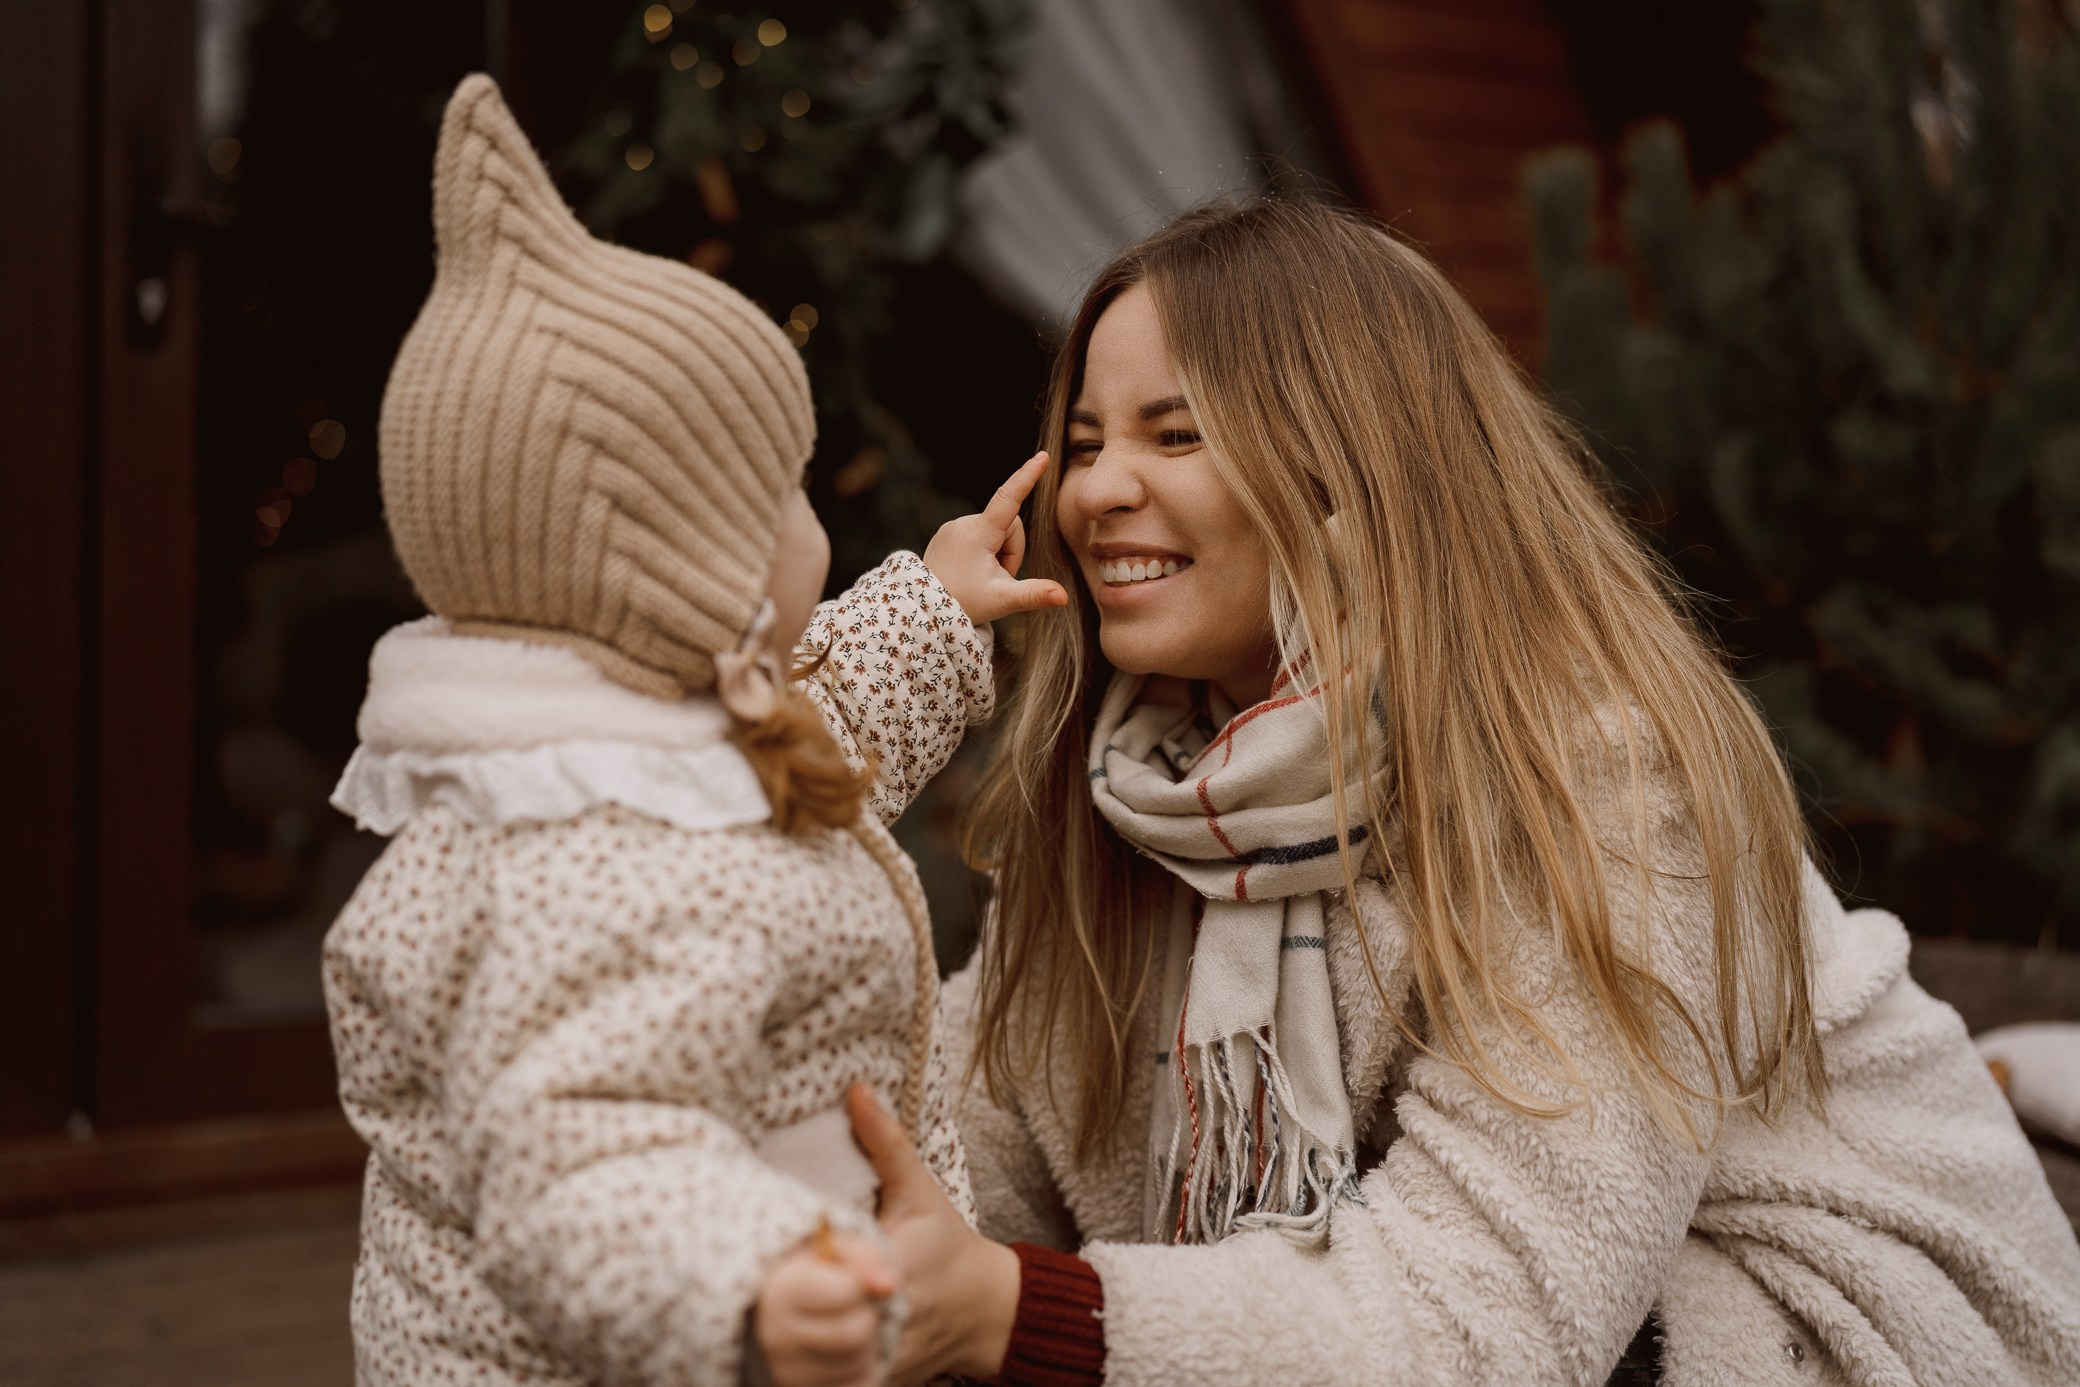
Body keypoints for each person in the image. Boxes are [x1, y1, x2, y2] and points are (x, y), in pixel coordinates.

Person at [832, 201, 2080, 1386]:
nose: (1096, 490)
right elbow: (944, 1145)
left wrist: (1014, 1310)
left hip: (1829, 1330)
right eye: (1089, 442)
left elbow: (1486, 1325)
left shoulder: (1587, 777)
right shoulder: (1133, 792)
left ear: (1351, 465)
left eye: (1177, 433)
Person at [321, 76, 1058, 1387]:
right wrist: (748, 1279)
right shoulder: (591, 859)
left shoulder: (635, 751)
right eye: (774, 483)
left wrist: (936, 603)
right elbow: (584, 1146)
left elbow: (809, 751)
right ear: (689, 571)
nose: (802, 501)